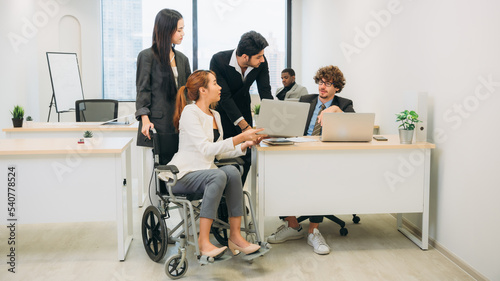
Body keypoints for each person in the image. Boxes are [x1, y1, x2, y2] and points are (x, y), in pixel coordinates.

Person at [167, 70, 266, 258]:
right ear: (203, 90)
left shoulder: (215, 115)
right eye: (215, 83)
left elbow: (218, 153)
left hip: (206, 173)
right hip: (182, 176)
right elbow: (205, 149)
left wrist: (245, 144)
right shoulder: (190, 112)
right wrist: (239, 137)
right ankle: (204, 243)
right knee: (219, 174)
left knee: (233, 170)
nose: (220, 87)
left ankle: (235, 236)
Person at [267, 65, 355, 255]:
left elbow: (354, 125)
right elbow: (290, 123)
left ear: (337, 87)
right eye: (321, 82)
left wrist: (338, 111)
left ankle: (313, 231)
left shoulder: (344, 104)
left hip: (326, 156)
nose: (323, 87)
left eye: (328, 84)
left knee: (319, 177)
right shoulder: (306, 100)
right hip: (299, 149)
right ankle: (293, 225)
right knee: (274, 173)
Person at [210, 31, 274, 184]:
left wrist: (273, 125)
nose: (262, 60)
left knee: (246, 158)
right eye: (258, 56)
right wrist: (244, 127)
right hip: (223, 115)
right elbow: (224, 97)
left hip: (244, 111)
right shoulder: (219, 60)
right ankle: (222, 204)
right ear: (245, 57)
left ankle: (234, 199)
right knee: (226, 157)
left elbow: (265, 93)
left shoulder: (261, 64)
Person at [135, 9, 191, 164]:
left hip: (179, 125)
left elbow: (188, 93)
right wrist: (144, 120)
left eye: (183, 29)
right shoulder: (147, 56)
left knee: (179, 173)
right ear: (167, 30)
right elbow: (142, 90)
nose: (183, 33)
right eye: (179, 30)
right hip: (157, 125)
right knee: (158, 175)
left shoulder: (183, 59)